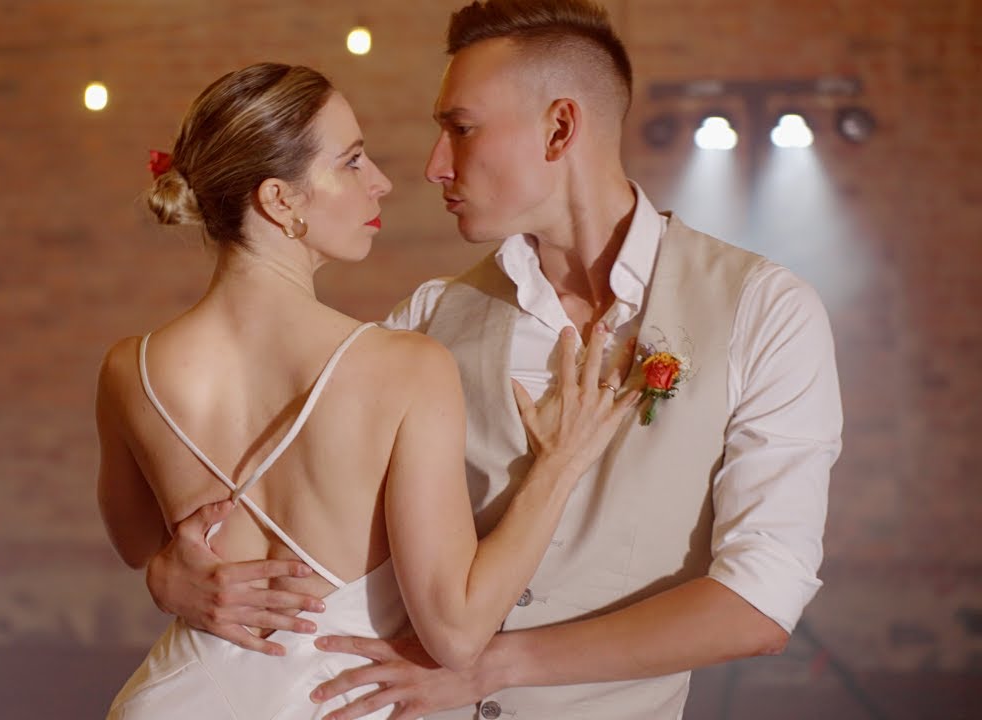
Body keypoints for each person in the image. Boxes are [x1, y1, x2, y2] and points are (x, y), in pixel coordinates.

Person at [144, 2, 843, 719]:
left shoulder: (764, 311)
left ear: (559, 128)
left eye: (461, 128)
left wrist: (495, 667)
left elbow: (760, 601)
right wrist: (171, 575)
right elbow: (288, 501)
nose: (433, 166)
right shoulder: (426, 320)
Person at [95, 62, 639, 720]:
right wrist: (558, 465)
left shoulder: (129, 369)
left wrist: (170, 578)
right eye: (352, 161)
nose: (380, 181)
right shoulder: (405, 369)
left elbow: (140, 548)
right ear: (279, 200)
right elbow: (456, 632)